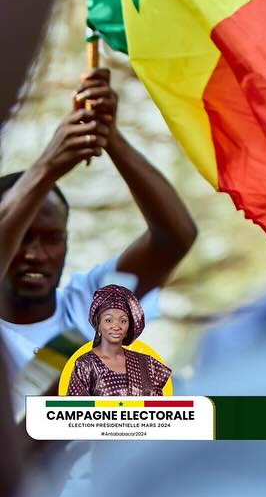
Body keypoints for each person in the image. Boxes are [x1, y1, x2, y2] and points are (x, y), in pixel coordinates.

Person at [0, 67, 197, 396]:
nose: (35, 254)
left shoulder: (89, 307)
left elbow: (173, 239)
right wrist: (46, 167)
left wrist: (111, 137)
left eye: (51, 238)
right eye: (22, 236)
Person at [64, 284, 169, 397]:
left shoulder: (148, 365)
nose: (116, 326)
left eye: (123, 321)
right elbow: (74, 409)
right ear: (98, 325)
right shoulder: (85, 365)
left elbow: (159, 408)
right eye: (108, 320)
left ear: (129, 327)